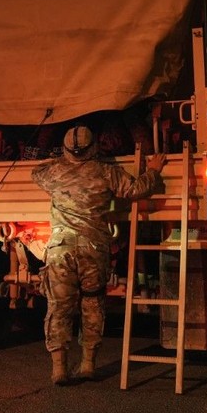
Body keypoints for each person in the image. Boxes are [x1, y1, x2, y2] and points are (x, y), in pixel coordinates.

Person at [31, 124, 166, 385]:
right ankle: (88, 364)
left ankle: (59, 369)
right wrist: (153, 171)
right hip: (93, 252)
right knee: (92, 305)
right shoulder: (106, 172)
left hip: (61, 252)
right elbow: (137, 190)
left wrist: (63, 161)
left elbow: (35, 173)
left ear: (67, 149)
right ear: (94, 147)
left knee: (58, 308)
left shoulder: (52, 173)